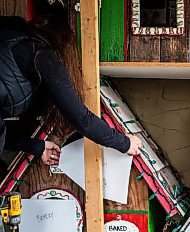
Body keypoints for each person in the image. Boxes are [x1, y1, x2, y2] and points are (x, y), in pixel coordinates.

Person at [0, 11, 142, 165]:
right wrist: (125, 143)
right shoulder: (42, 56)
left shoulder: (11, 35)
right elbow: (82, 119)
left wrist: (38, 146)